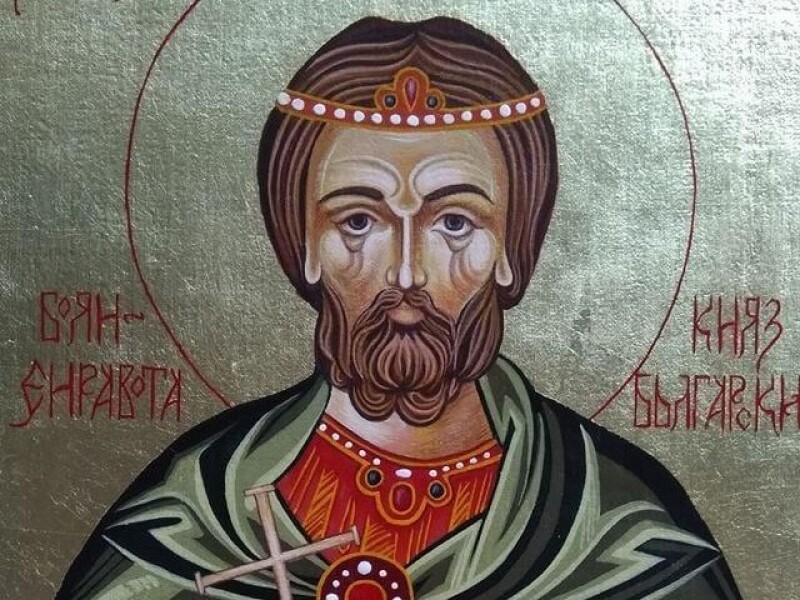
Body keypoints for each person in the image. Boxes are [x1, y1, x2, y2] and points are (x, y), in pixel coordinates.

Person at [57, 17, 742, 600]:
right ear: (304, 248)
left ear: (512, 248)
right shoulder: (195, 520)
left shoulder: (618, 530)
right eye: (358, 221)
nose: (407, 272)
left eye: (454, 223)